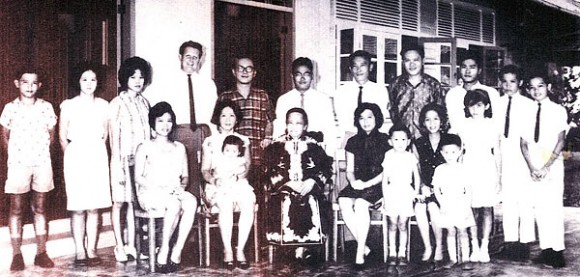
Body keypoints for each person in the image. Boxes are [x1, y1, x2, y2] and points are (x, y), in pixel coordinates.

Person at [143, 41, 218, 199]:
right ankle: (183, 215)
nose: (191, 61)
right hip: (179, 132)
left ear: (200, 59)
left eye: (195, 57)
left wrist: (213, 138)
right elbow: (154, 109)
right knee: (183, 173)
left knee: (203, 173)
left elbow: (214, 114)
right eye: (188, 56)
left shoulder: (208, 84)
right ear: (180, 57)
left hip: (202, 132)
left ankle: (200, 216)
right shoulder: (165, 82)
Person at [0, 69, 57, 271]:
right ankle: (16, 254)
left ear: (39, 85)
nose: (30, 86)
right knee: (16, 208)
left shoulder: (46, 107)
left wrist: (39, 156)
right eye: (25, 82)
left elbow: (51, 136)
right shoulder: (10, 108)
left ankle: (41, 252)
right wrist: (16, 158)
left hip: (42, 163)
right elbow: (4, 137)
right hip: (18, 165)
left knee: (40, 208)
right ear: (17, 83)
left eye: (34, 83)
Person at [134, 102, 197, 273]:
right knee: (175, 204)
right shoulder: (145, 146)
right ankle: (163, 251)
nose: (165, 125)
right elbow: (138, 177)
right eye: (160, 121)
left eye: (169, 121)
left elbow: (185, 176)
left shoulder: (179, 148)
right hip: (150, 191)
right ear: (153, 122)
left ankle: (177, 250)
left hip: (173, 190)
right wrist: (159, 187)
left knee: (191, 202)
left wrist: (182, 187)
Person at [263, 108, 333, 264]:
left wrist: (313, 181)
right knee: (286, 201)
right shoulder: (276, 145)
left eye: (298, 123)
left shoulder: (314, 145)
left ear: (305, 126)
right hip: (283, 188)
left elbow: (326, 168)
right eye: (290, 123)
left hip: (309, 188)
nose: (294, 127)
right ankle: (292, 249)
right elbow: (267, 169)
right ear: (286, 124)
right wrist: (286, 183)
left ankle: (305, 249)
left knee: (311, 201)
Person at [59, 64, 111, 266]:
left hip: (97, 156)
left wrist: (94, 152)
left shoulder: (104, 105)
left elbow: (105, 135)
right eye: (84, 79)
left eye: (93, 79)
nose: (89, 84)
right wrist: (73, 158)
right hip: (76, 157)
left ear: (98, 82)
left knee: (93, 208)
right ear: (78, 81)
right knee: (79, 207)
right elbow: (63, 137)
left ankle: (91, 250)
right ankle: (80, 250)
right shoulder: (68, 105)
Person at [201, 100, 255, 270]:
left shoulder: (243, 140)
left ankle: (240, 250)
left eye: (231, 115)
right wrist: (214, 180)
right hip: (218, 184)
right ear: (217, 117)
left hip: (238, 182)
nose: (227, 119)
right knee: (225, 203)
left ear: (237, 119)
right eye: (223, 115)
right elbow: (205, 170)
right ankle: (227, 250)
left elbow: (247, 166)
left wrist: (238, 176)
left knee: (248, 203)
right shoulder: (210, 141)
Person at [520, 74, 568, 268]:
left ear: (547, 86)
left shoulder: (558, 110)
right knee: (539, 208)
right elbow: (523, 143)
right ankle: (546, 249)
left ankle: (558, 252)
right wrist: (532, 167)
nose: (536, 90)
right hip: (533, 165)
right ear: (528, 90)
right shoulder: (526, 111)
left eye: (540, 86)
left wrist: (547, 166)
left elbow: (561, 140)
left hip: (552, 164)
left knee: (553, 208)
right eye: (532, 87)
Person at [108, 56, 152, 262]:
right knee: (119, 202)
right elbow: (113, 137)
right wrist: (117, 165)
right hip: (122, 159)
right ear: (125, 78)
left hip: (142, 162)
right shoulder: (117, 103)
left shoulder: (145, 103)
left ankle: (132, 245)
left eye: (141, 77)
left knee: (134, 204)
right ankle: (119, 245)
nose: (137, 81)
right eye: (133, 76)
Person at [337, 103, 391, 269]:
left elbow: (387, 170)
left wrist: (367, 184)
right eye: (361, 118)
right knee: (343, 202)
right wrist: (353, 182)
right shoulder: (352, 141)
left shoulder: (385, 140)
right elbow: (350, 170)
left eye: (370, 117)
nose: (366, 121)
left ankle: (360, 253)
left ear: (377, 118)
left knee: (360, 205)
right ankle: (366, 247)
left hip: (378, 184)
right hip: (358, 183)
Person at [494, 65, 536, 261]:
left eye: (512, 81)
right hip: (505, 155)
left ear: (519, 82)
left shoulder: (529, 105)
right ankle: (511, 242)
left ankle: (525, 243)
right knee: (509, 201)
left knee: (525, 202)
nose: (508, 85)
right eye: (504, 81)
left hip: (524, 156)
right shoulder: (497, 103)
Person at [217, 56, 275, 193]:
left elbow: (270, 121)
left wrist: (268, 136)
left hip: (259, 159)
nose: (245, 71)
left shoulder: (262, 95)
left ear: (254, 73)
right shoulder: (225, 97)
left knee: (258, 199)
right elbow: (218, 127)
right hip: (233, 160)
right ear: (234, 71)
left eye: (249, 68)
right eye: (240, 68)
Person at [458, 89, 501, 263]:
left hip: (487, 168)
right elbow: (460, 151)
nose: (475, 109)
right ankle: (474, 246)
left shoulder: (492, 124)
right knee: (472, 209)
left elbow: (497, 151)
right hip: (469, 167)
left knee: (487, 209)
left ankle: (484, 247)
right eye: (471, 106)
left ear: (486, 106)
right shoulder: (463, 124)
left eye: (479, 105)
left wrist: (499, 176)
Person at [274, 57, 338, 154]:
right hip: (290, 151)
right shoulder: (283, 100)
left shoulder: (324, 100)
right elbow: (279, 130)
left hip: (317, 151)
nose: (302, 78)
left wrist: (328, 156)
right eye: (298, 74)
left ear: (312, 76)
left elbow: (330, 131)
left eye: (306, 74)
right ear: (292, 76)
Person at [433, 134, 475, 270]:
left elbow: (468, 190)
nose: (449, 155)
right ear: (441, 153)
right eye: (446, 152)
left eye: (453, 152)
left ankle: (466, 258)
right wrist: (442, 204)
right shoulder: (439, 170)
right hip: (446, 205)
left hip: (461, 205)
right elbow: (437, 190)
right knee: (450, 232)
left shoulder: (464, 169)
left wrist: (466, 207)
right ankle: (452, 258)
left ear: (460, 151)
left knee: (463, 231)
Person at [413, 103, 448, 263]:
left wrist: (439, 189)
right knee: (420, 208)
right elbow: (417, 169)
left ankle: (439, 246)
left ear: (442, 121)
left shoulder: (450, 140)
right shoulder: (418, 143)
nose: (432, 123)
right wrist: (422, 186)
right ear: (423, 123)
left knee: (433, 209)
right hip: (425, 188)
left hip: (446, 189)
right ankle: (428, 247)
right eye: (428, 120)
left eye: (435, 119)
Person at [381, 124, 420, 266]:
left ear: (408, 141)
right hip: (392, 193)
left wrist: (415, 193)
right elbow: (385, 179)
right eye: (396, 140)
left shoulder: (410, 157)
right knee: (392, 224)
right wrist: (385, 196)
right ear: (390, 141)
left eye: (404, 140)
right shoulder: (388, 155)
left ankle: (402, 253)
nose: (400, 143)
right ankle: (392, 253)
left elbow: (416, 176)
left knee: (403, 224)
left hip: (405, 193)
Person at [389, 45, 444, 139]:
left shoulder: (433, 85)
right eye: (407, 61)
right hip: (402, 141)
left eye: (416, 60)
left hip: (427, 140)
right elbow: (393, 112)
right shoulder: (395, 84)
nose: (412, 64)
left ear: (422, 61)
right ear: (403, 63)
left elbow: (440, 114)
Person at [334, 50, 390, 140]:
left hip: (373, 138)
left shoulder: (380, 90)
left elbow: (381, 119)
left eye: (362, 65)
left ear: (370, 67)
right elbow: (341, 119)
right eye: (355, 66)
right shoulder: (341, 92)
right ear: (350, 69)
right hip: (349, 137)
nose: (358, 70)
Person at [445, 50, 500, 133]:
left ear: (479, 70)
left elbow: (496, 123)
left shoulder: (491, 93)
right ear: (459, 69)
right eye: (464, 67)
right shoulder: (452, 94)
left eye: (472, 67)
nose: (467, 71)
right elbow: (452, 123)